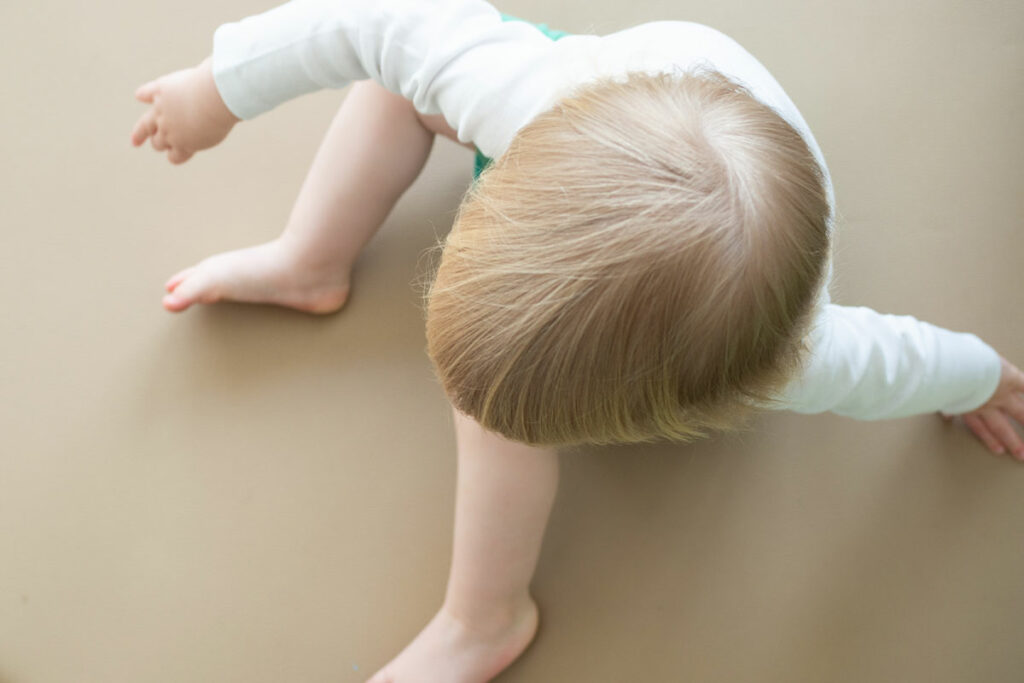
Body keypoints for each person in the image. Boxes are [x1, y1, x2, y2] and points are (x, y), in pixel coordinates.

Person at [129, 1, 1024, 680]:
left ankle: (485, 618)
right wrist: (217, 89)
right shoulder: (511, 86)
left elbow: (905, 360)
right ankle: (309, 258)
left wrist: (979, 382)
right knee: (396, 86)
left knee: (501, 410)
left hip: (684, 195)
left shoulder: (789, 357)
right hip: (603, 108)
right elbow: (378, 21)